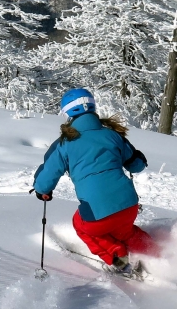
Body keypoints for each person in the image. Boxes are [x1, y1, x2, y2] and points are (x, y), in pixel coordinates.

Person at [32, 88, 157, 276]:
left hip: (97, 212)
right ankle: (159, 257)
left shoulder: (64, 144)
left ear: (67, 113)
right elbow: (137, 165)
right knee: (126, 232)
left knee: (82, 226)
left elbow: (44, 180)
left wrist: (43, 191)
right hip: (128, 204)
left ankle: (122, 263)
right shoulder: (113, 135)